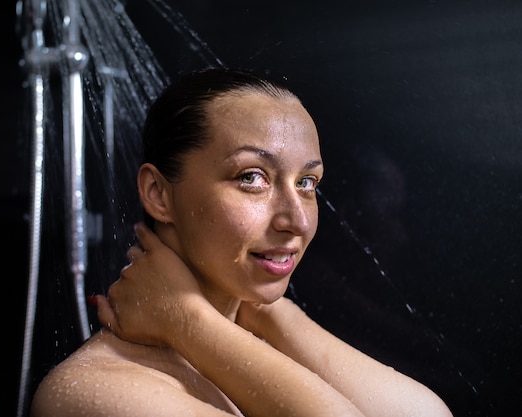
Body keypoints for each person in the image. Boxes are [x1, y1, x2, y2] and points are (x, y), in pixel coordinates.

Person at [30, 67, 453, 417]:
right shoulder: (92, 392)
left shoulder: (250, 345)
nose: (298, 220)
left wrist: (265, 315)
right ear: (159, 194)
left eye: (307, 182)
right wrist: (190, 322)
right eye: (252, 177)